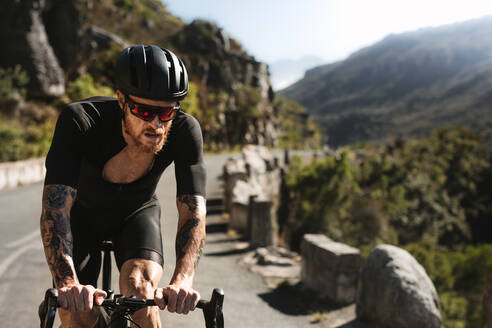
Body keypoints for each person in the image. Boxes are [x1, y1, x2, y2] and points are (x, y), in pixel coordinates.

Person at [40, 45, 206, 328]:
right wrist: (68, 283)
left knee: (142, 292)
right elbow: (55, 209)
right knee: (77, 310)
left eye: (166, 113)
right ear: (121, 100)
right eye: (143, 110)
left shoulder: (185, 130)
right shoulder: (80, 121)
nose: (155, 124)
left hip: (137, 214)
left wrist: (182, 280)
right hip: (82, 218)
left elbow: (193, 211)